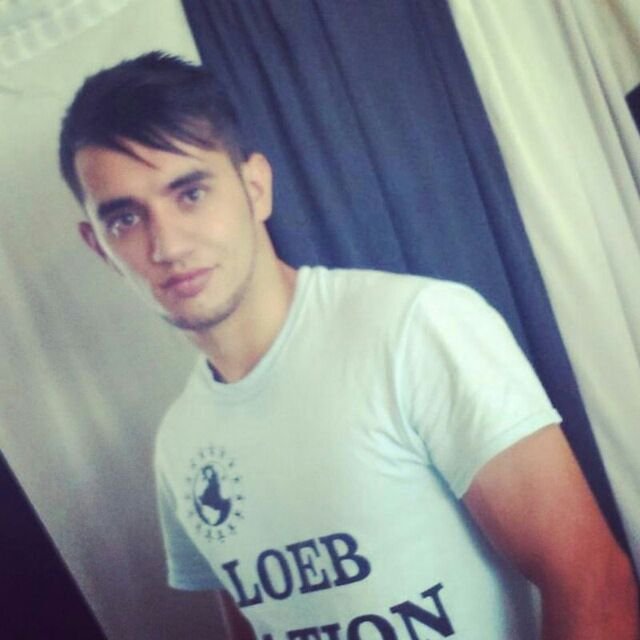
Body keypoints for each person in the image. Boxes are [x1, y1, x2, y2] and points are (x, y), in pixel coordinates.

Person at [58, 51, 638, 640]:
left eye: (190, 194)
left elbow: (595, 586)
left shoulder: (414, 329)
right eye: (125, 219)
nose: (168, 245)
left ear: (255, 188)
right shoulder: (180, 445)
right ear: (99, 246)